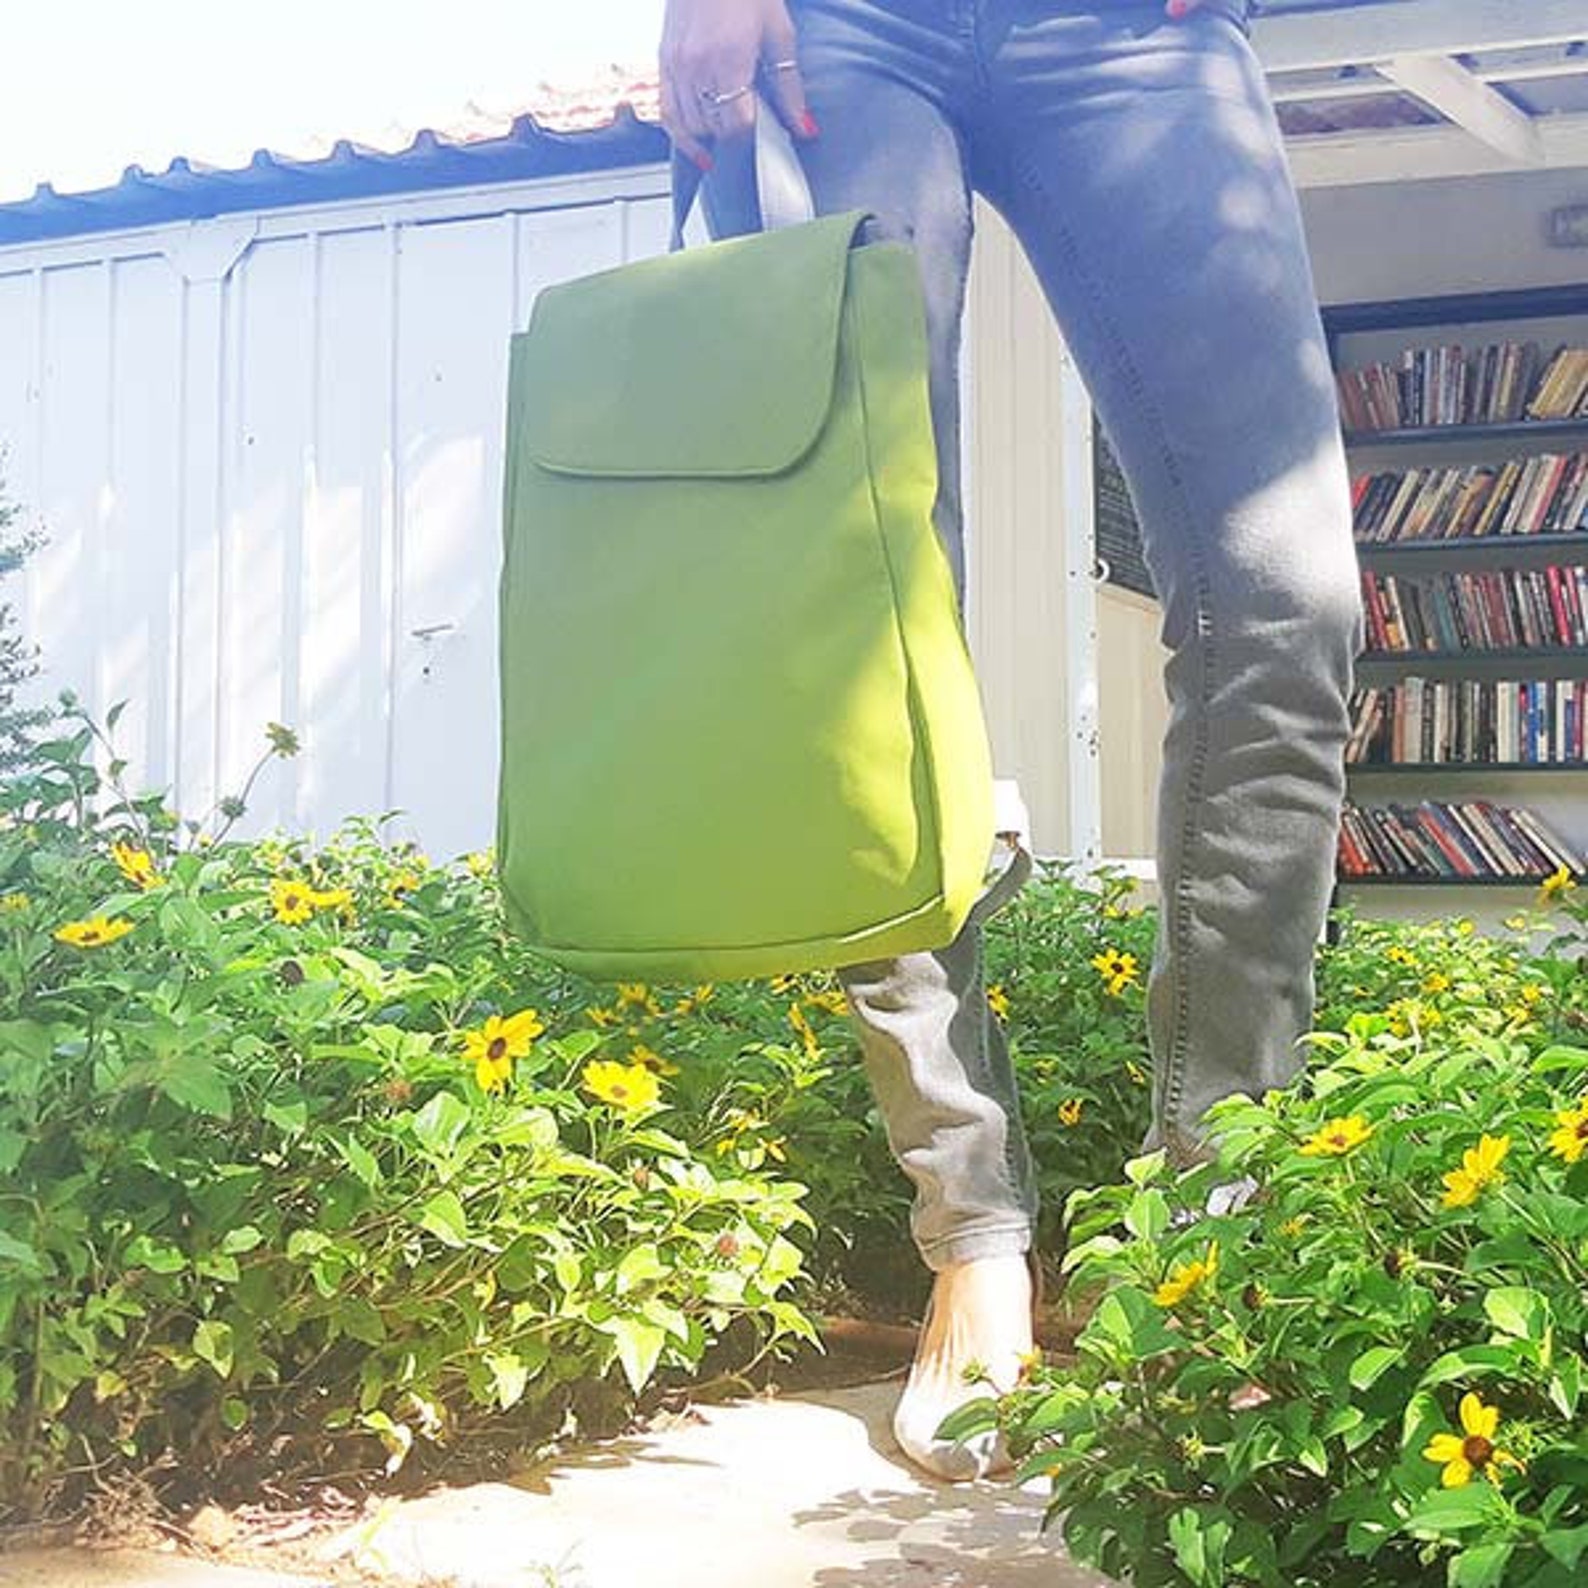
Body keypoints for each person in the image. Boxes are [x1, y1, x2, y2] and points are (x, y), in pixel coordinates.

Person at [658, 0, 1364, 1480]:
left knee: (1285, 603)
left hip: (1136, 33)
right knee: (850, 587)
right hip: (835, 24)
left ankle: (1207, 1234)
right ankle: (971, 1232)